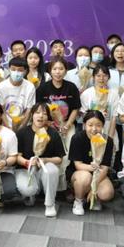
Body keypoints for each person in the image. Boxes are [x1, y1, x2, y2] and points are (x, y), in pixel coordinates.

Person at [36, 57, 81, 186]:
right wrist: (46, 123)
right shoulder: (43, 88)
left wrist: (67, 125)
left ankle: (63, 183)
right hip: (48, 126)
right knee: (52, 153)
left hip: (68, 125)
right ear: (50, 71)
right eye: (54, 69)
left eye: (61, 69)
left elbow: (75, 109)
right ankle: (49, 183)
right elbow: (38, 110)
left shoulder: (71, 87)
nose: (58, 72)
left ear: (66, 71)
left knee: (67, 154)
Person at [15, 103, 64, 217]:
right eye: (37, 112)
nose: (41, 116)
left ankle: (50, 204)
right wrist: (27, 162)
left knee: (52, 170)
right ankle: (32, 193)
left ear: (48, 117)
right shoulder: (22, 132)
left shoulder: (53, 133)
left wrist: (44, 160)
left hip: (44, 167)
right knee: (28, 189)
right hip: (25, 169)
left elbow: (59, 159)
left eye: (44, 113)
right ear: (32, 115)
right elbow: (17, 156)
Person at [68, 110, 115, 215]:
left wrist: (94, 188)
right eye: (90, 125)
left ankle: (94, 198)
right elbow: (78, 165)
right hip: (81, 173)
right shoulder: (77, 138)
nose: (94, 129)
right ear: (84, 125)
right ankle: (78, 200)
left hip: (99, 174)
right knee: (85, 177)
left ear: (103, 126)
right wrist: (92, 167)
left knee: (107, 193)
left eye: (98, 125)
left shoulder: (108, 141)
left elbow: (105, 168)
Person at [80, 65, 120, 156]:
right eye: (98, 75)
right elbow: (83, 115)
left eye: (104, 75)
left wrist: (110, 139)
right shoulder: (87, 94)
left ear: (108, 77)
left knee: (108, 159)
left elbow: (114, 117)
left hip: (108, 130)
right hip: (91, 133)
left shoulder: (114, 94)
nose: (101, 78)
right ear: (93, 77)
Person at [0, 57, 36, 129]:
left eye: (20, 70)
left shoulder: (30, 87)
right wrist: (8, 127)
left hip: (24, 125)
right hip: (5, 126)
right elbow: (1, 110)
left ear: (25, 71)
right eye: (13, 69)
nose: (16, 72)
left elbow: (29, 110)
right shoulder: (0, 87)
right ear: (9, 69)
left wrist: (21, 128)